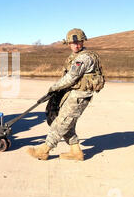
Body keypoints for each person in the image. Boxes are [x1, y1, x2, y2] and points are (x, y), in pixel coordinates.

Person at [27, 28, 105, 161]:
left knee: (61, 122)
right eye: (72, 43)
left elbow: (71, 77)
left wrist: (53, 88)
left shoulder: (84, 58)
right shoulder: (75, 56)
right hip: (73, 93)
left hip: (80, 95)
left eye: (79, 42)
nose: (76, 45)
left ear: (82, 41)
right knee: (68, 122)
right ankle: (76, 151)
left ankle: (44, 149)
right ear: (68, 43)